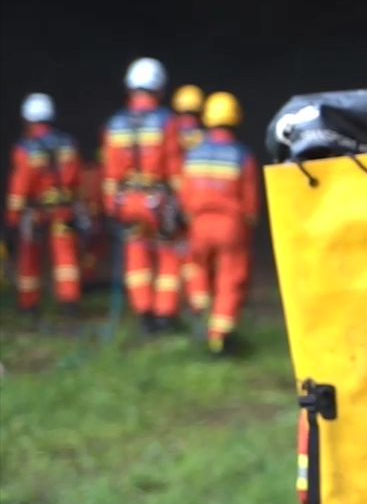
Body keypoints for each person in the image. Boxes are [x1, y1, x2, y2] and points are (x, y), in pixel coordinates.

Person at [103, 57, 187, 332]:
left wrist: (112, 207)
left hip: (126, 201)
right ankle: (165, 314)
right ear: (159, 89)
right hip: (158, 202)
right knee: (168, 254)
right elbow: (175, 168)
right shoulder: (167, 121)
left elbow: (111, 172)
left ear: (130, 88)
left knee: (136, 255)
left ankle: (144, 314)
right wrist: (180, 205)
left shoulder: (114, 124)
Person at [177, 91, 259, 354]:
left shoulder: (194, 154)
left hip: (199, 223)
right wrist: (248, 225)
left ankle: (200, 311)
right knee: (230, 276)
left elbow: (185, 193)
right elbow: (250, 202)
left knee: (199, 267)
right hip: (230, 225)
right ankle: (219, 336)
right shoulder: (241, 155)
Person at [7, 93, 85, 314]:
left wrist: (13, 216)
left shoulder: (25, 148)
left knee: (29, 255)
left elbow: (20, 185)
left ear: (28, 119)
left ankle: (29, 304)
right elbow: (77, 177)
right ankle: (71, 301)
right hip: (63, 207)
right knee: (66, 256)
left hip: (36, 211)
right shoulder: (68, 143)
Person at [172, 82, 208, 313]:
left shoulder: (170, 129)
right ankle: (199, 302)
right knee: (196, 254)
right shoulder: (204, 135)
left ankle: (178, 301)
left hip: (173, 197)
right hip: (198, 197)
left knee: (176, 251)